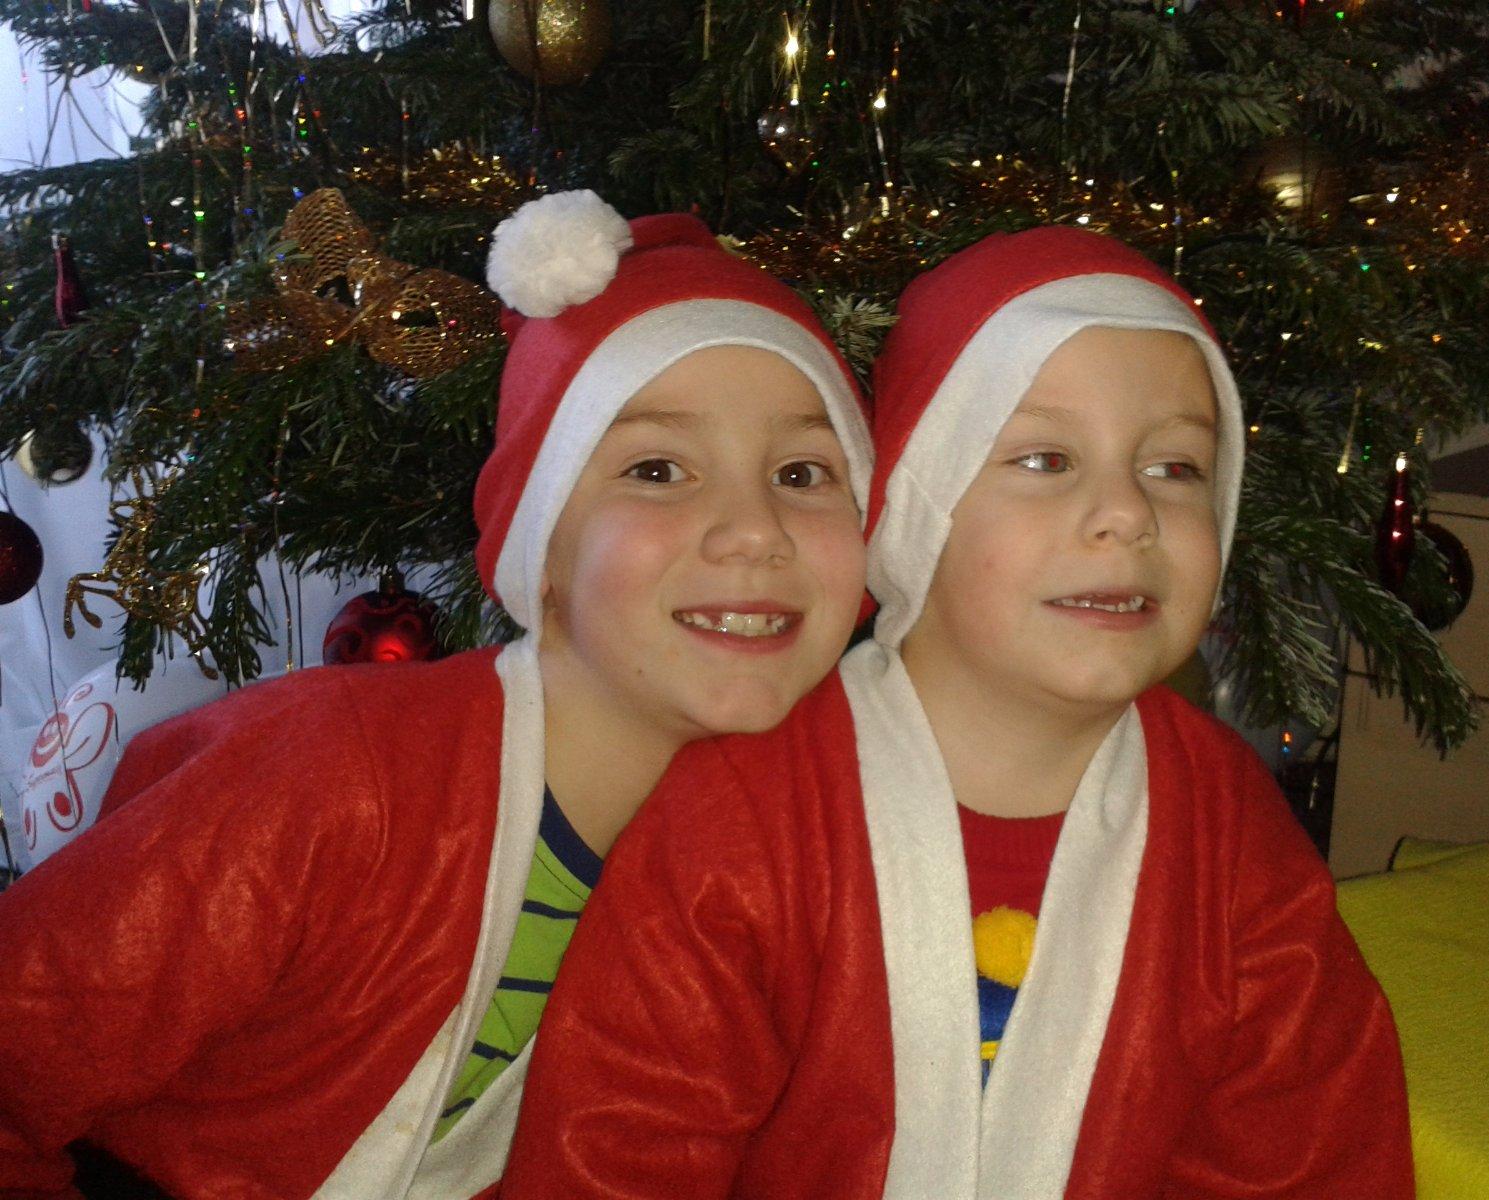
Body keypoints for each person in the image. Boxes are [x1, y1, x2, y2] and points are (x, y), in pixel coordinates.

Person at [503, 225, 1414, 1199]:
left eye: (1176, 469)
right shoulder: (748, 814)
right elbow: (619, 1148)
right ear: (920, 507)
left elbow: (1308, 1150)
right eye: (1046, 458)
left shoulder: (1227, 829)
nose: (1128, 513)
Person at [0, 190, 873, 1200]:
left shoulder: (814, 848)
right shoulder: (328, 781)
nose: (754, 530)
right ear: (541, 546)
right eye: (657, 469)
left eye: (803, 473)